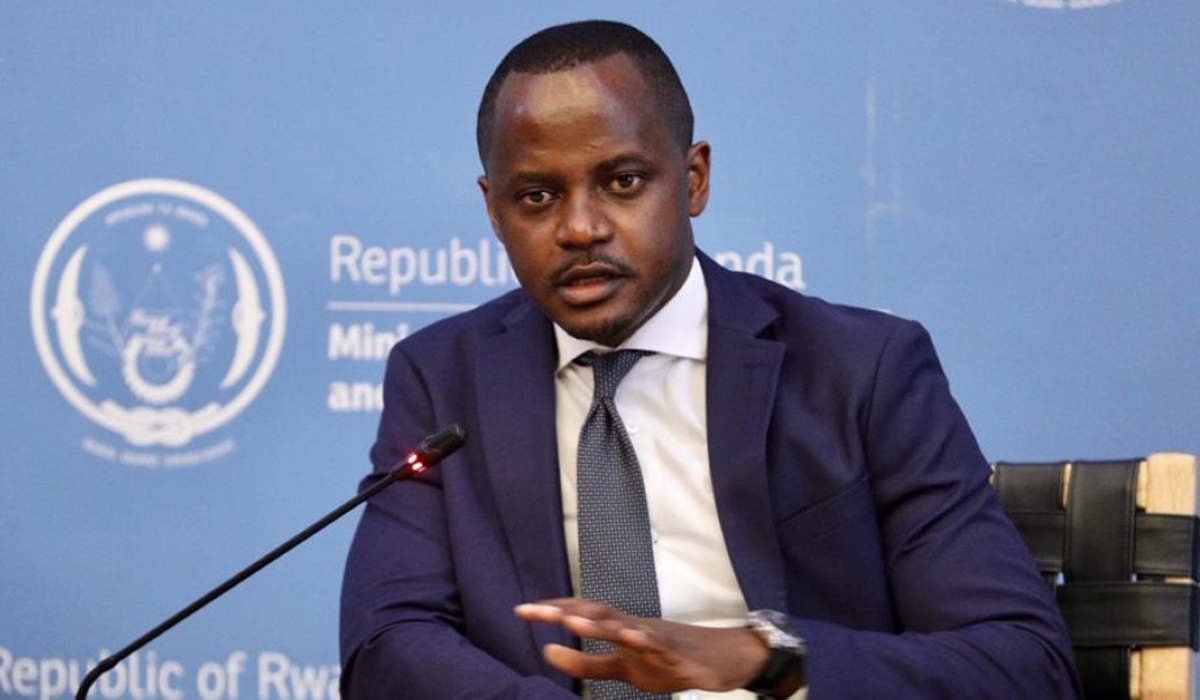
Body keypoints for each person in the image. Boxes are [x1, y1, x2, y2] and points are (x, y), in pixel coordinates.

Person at [340, 19, 1080, 700]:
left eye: (623, 182)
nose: (581, 228)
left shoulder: (860, 369)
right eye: (536, 196)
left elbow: (1022, 662)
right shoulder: (442, 376)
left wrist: (770, 657)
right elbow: (387, 642)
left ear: (693, 180)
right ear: (493, 210)